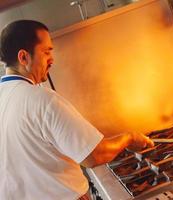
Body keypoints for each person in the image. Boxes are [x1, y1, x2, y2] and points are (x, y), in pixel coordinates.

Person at [0, 20, 154, 200]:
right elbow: (94, 156)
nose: (52, 59)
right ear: (23, 57)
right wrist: (129, 138)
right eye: (46, 51)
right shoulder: (42, 100)